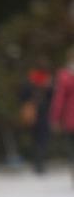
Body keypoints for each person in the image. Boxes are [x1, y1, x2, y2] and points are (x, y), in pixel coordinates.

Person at [19, 59, 53, 175]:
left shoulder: (30, 79)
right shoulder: (47, 80)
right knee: (43, 139)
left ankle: (37, 163)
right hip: (43, 112)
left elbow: (22, 95)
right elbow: (52, 96)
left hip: (33, 112)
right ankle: (40, 164)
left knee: (35, 139)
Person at [50, 47, 74, 182]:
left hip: (71, 119)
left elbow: (59, 99)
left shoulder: (64, 76)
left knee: (72, 148)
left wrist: (55, 118)